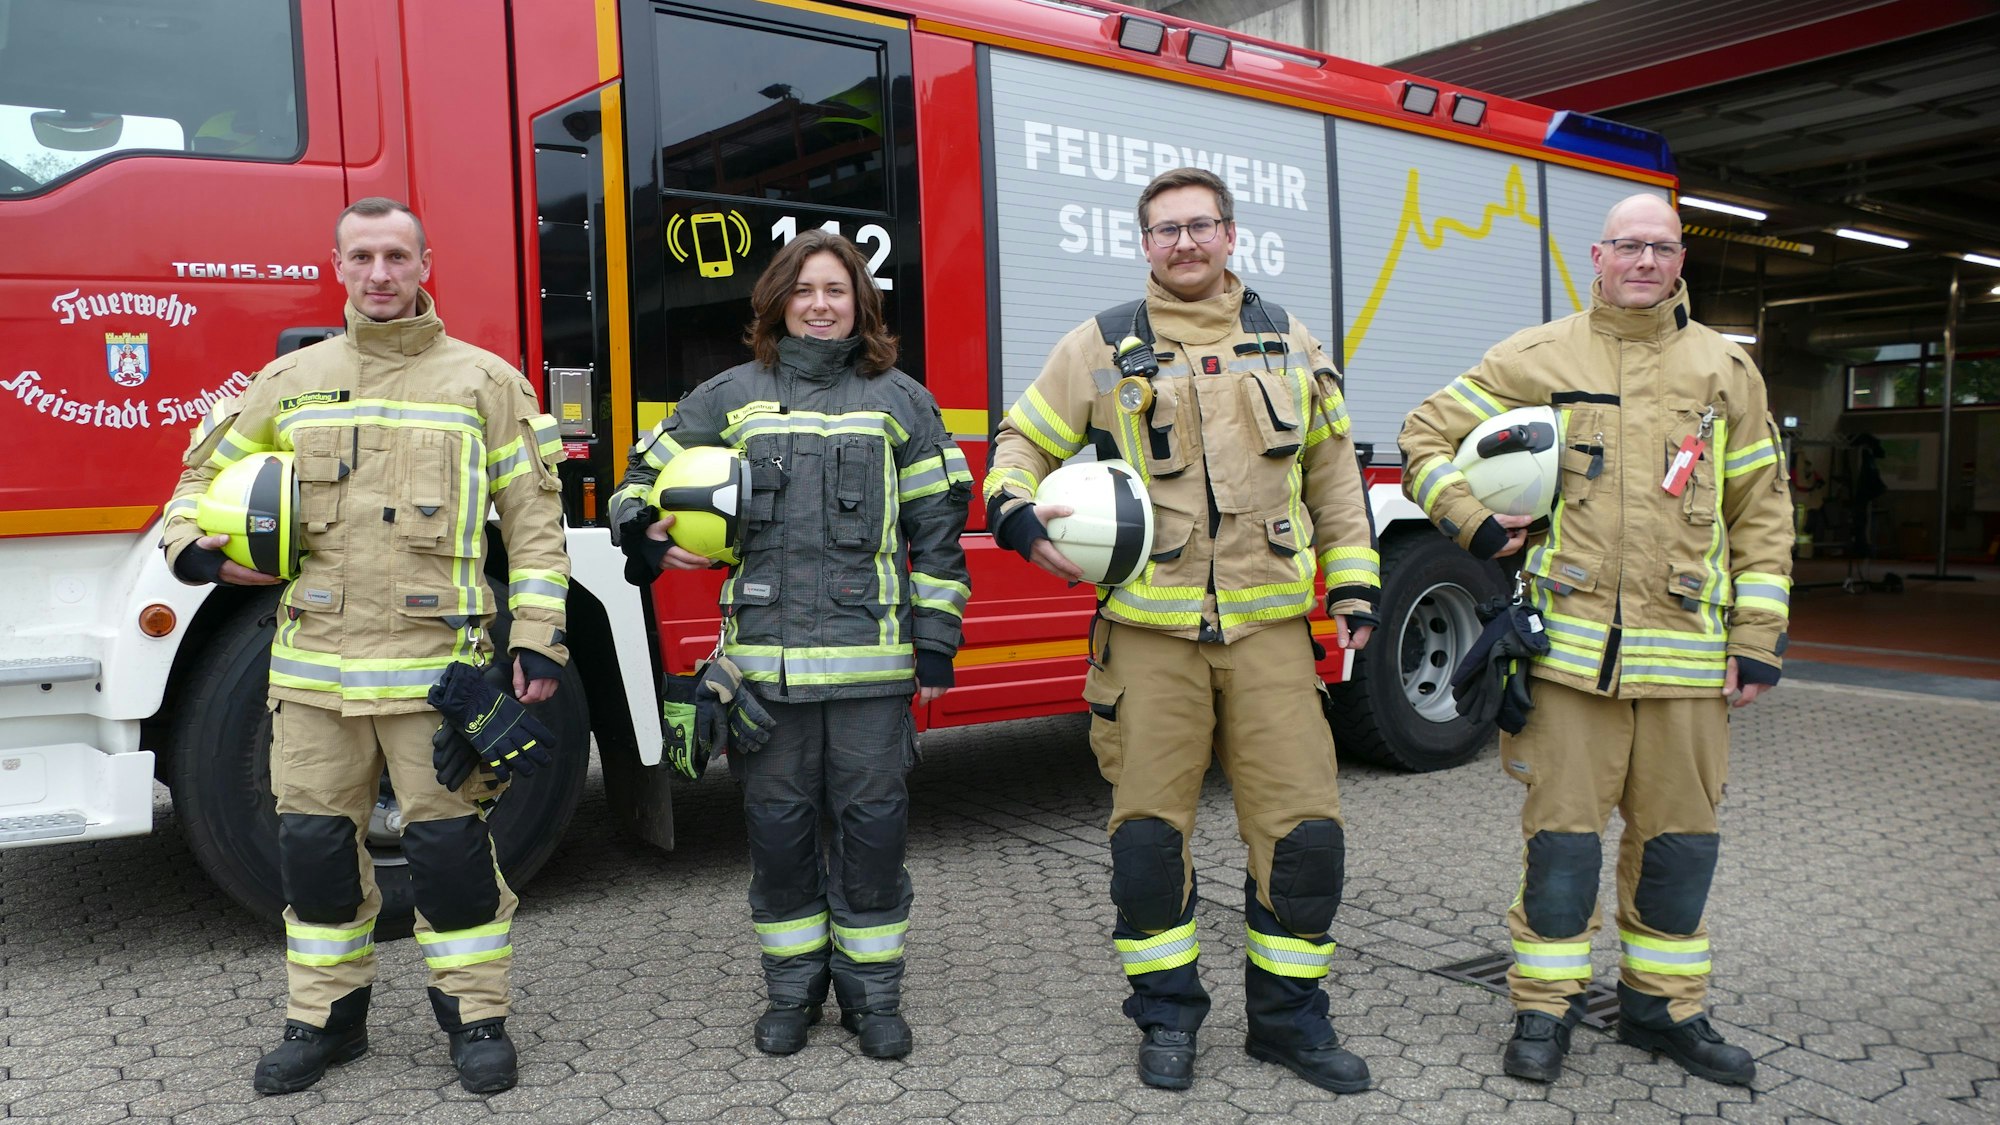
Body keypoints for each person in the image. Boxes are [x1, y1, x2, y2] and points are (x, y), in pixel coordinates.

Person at [160, 197, 570, 1096]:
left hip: (437, 679)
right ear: (338, 265)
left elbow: (537, 526)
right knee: (312, 855)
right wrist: (194, 550)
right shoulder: (290, 382)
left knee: (451, 856)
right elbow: (197, 478)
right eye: (362, 257)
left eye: (396, 256)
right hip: (314, 679)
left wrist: (540, 639)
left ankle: (476, 1017)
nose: (379, 273)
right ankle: (327, 1019)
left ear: (426, 264)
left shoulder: (487, 384)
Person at [986, 167, 1382, 1095]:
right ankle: (1166, 1015)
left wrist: (1354, 586)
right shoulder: (1104, 344)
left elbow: (1333, 476)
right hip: (1148, 637)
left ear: (1231, 234)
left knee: (1304, 837)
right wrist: (1017, 514)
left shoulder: (1289, 340)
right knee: (1148, 845)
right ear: (1145, 243)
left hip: (1270, 630)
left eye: (1201, 225)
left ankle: (1289, 1021)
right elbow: (1022, 441)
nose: (1185, 243)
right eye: (1166, 230)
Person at [1398, 194, 1793, 1086]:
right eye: (1629, 246)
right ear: (1598, 256)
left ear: (1682, 257)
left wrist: (1759, 636)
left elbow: (1762, 512)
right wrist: (1472, 523)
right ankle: (1545, 1009)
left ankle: (1664, 1009)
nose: (1646, 261)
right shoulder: (1538, 356)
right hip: (1570, 665)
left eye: (1662, 247)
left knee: (1679, 847)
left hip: (1688, 667)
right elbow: (1423, 435)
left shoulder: (1726, 370)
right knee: (1562, 848)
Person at [611, 230, 971, 1060]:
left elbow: (939, 536)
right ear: (778, 301)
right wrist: (649, 537)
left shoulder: (903, 402)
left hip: (872, 673)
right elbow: (636, 482)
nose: (819, 304)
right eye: (804, 289)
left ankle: (872, 995)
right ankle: (793, 991)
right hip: (763, 678)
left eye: (836, 290)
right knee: (777, 838)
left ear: (861, 303)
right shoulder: (730, 396)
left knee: (873, 836)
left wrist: (936, 645)